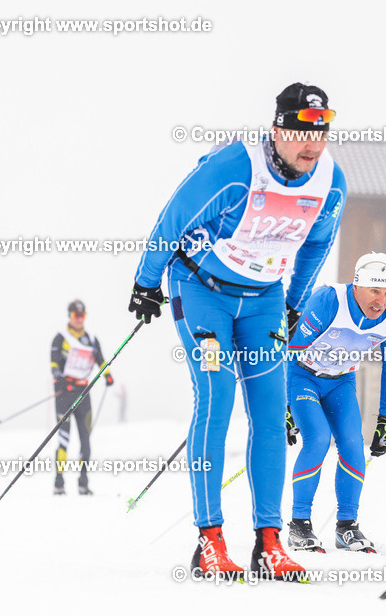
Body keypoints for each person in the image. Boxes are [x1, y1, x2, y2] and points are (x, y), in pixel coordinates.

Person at [128, 83, 347, 580]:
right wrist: (146, 283)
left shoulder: (330, 184)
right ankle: (209, 542)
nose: (312, 145)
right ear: (278, 130)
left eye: (322, 133)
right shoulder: (235, 167)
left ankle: (268, 543)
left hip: (265, 300)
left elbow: (315, 246)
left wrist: (292, 305)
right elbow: (172, 219)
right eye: (301, 134)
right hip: (202, 289)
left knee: (272, 411)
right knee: (217, 394)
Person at [285, 253, 386, 553]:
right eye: (374, 291)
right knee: (318, 439)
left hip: (341, 382)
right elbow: (290, 351)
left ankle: (346, 527)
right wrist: (284, 407)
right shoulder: (328, 301)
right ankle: (300, 525)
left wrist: (385, 420)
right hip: (303, 376)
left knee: (353, 444)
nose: (381, 301)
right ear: (356, 286)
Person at [50, 299, 113, 495]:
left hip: (83, 393)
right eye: (75, 316)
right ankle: (59, 482)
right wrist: (60, 380)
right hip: (64, 394)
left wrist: (108, 375)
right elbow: (53, 365)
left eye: (82, 316)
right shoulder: (60, 338)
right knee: (64, 439)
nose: (79, 319)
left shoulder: (92, 339)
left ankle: (83, 482)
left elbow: (101, 360)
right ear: (69, 316)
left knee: (86, 440)